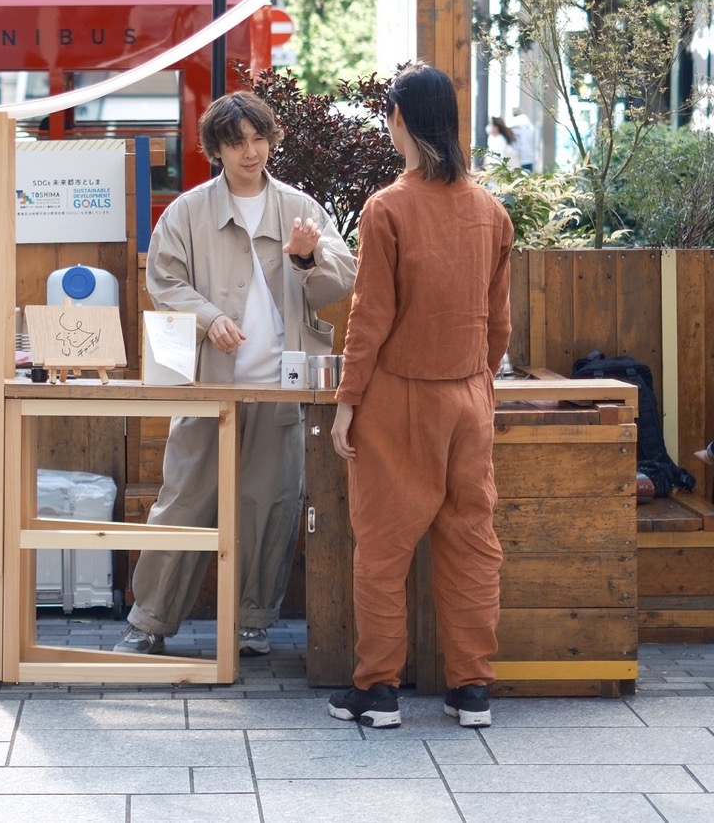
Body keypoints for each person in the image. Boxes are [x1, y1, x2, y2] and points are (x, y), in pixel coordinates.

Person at [115, 91, 355, 657]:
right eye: (236, 142)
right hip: (207, 382)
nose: (251, 152)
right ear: (216, 150)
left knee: (269, 501)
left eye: (258, 138)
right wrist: (209, 318)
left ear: (272, 140)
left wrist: (303, 259)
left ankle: (250, 621)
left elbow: (340, 278)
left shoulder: (302, 208)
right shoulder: (188, 211)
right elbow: (164, 281)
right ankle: (149, 621)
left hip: (282, 383)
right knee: (184, 499)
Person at [327, 62, 512, 730]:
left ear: (398, 119)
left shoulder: (388, 208)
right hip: (469, 398)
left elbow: (369, 317)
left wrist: (348, 402)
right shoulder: (491, 209)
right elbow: (500, 324)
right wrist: (477, 381)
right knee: (471, 542)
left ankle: (377, 691)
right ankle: (472, 692)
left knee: (382, 549)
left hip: (399, 401)